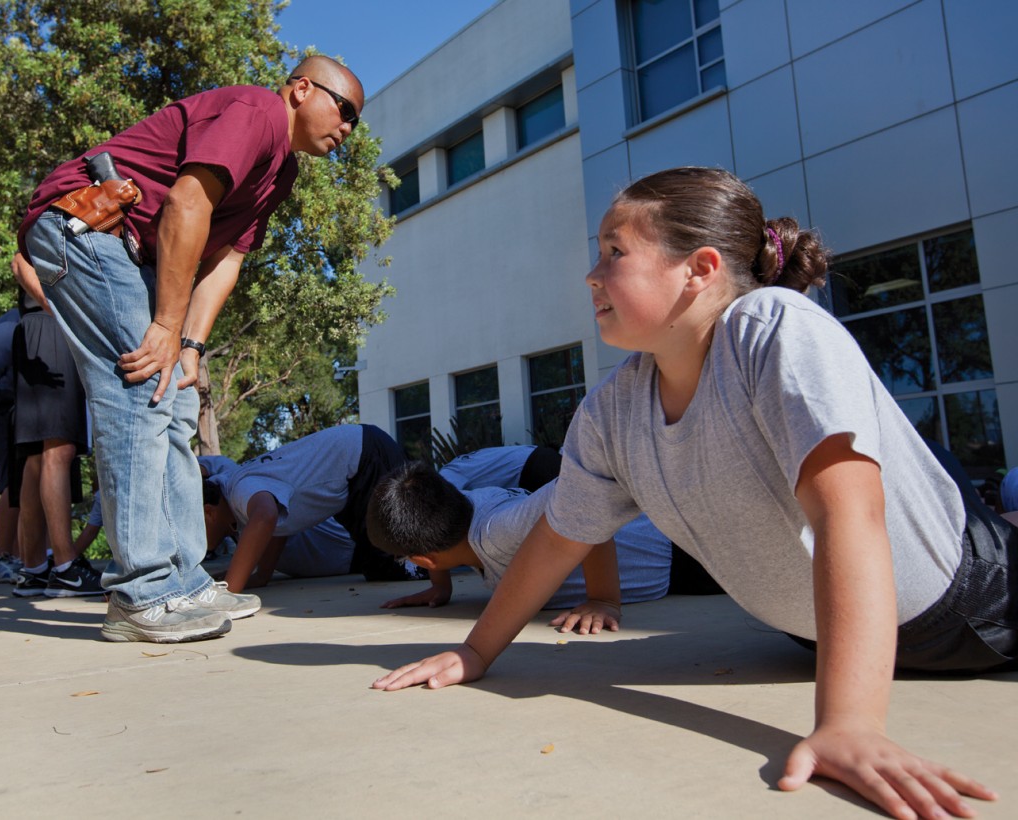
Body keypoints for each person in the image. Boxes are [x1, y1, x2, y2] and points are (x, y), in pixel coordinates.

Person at [372, 167, 1014, 819]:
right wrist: (476, 650)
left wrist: (850, 723)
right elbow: (559, 537)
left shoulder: (775, 330)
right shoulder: (611, 413)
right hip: (815, 635)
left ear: (700, 269)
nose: (592, 275)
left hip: (968, 601)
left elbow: (850, 514)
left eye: (615, 252)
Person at [13, 56, 360, 641]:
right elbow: (186, 205)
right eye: (344, 109)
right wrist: (166, 324)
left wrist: (191, 344)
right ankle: (141, 593)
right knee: (140, 390)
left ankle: (183, 578)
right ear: (301, 89)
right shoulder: (255, 110)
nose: (348, 127)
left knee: (173, 401)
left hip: (132, 255)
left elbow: (225, 261)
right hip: (85, 225)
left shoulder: (282, 174)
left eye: (356, 121)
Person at [370, 461, 672, 623]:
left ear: (424, 560)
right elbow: (437, 516)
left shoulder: (497, 535)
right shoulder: (466, 507)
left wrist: (603, 599)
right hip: (664, 528)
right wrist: (440, 586)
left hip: (676, 556)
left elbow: (585, 494)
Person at [203, 424, 415, 593]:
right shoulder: (236, 487)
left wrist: (229, 589)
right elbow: (278, 527)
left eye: (195, 532)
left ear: (208, 512)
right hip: (358, 460)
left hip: (366, 456)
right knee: (381, 557)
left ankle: (440, 558)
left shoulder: (238, 487)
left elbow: (265, 517)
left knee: (388, 563)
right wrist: (261, 576)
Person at [9, 288, 99, 598]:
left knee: (38, 453)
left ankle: (34, 569)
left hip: (41, 326)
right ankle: (65, 567)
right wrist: (61, 309)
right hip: (52, 324)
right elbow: (20, 262)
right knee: (60, 448)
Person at [0, 308, 22, 584]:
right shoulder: (14, 322)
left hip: (21, 406)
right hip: (5, 405)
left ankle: (14, 556)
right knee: (11, 484)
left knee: (22, 484)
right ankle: (1, 556)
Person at [439, 445, 562, 493]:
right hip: (538, 455)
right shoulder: (459, 464)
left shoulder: (448, 474)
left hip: (532, 468)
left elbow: (446, 502)